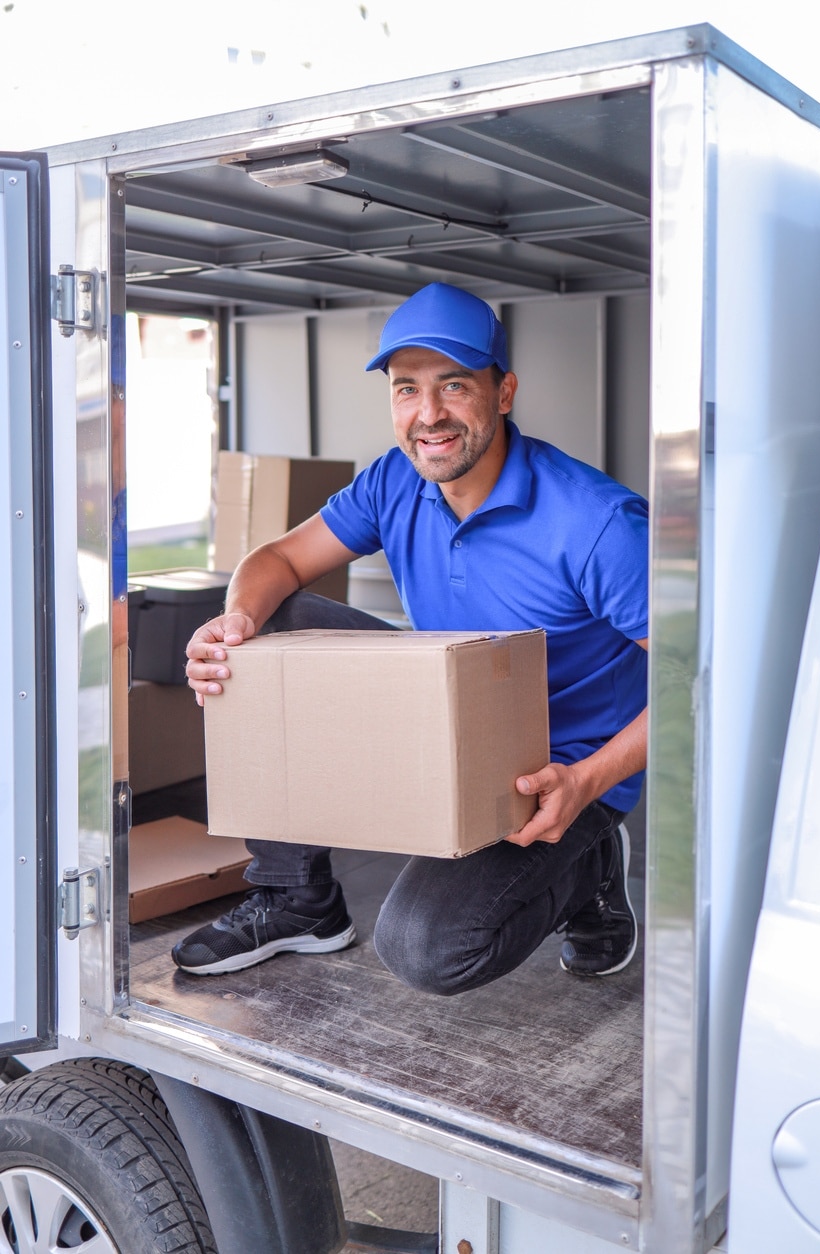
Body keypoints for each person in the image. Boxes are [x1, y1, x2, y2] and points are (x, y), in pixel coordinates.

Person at [174, 282, 648, 994]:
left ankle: (590, 868)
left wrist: (586, 783)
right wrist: (234, 623)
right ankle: (297, 899)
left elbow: (701, 678)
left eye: (453, 386)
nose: (428, 416)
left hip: (564, 767)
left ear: (504, 391)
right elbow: (275, 561)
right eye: (406, 390)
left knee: (427, 950)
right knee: (271, 621)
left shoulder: (597, 523)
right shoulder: (393, 481)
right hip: (457, 717)